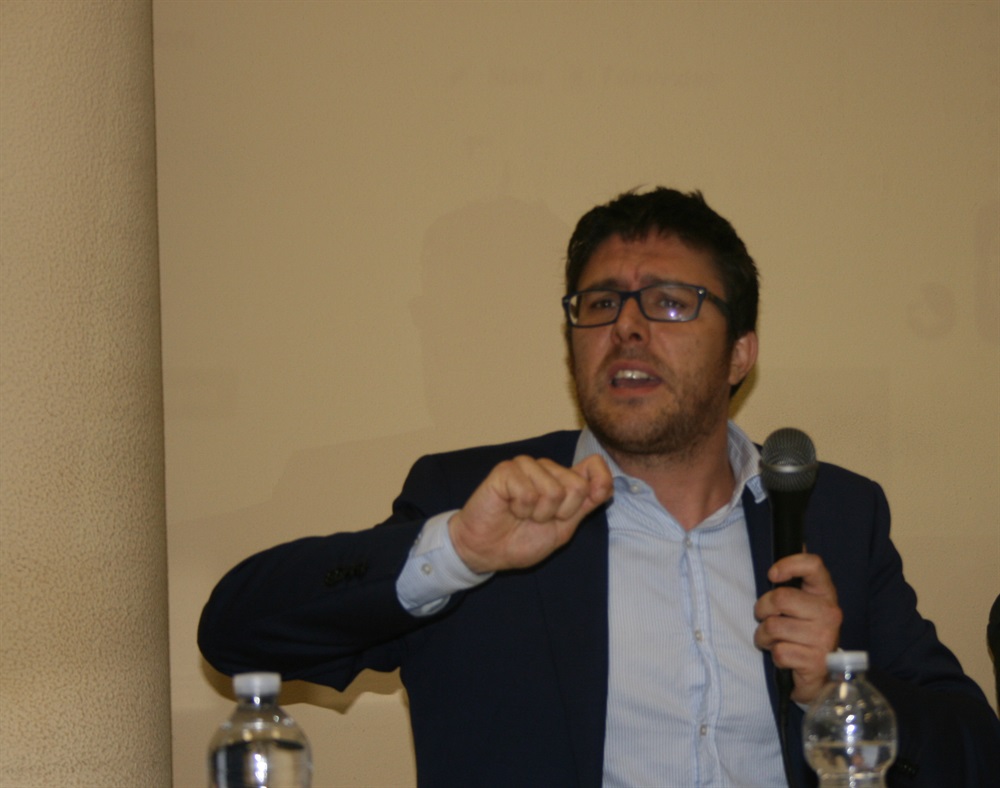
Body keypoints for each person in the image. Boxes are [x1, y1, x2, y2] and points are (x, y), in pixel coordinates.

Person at [199, 188, 1000, 787]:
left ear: (740, 354)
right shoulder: (484, 505)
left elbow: (976, 751)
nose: (627, 327)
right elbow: (236, 632)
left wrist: (841, 689)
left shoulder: (837, 515)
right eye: (602, 303)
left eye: (672, 303)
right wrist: (457, 553)